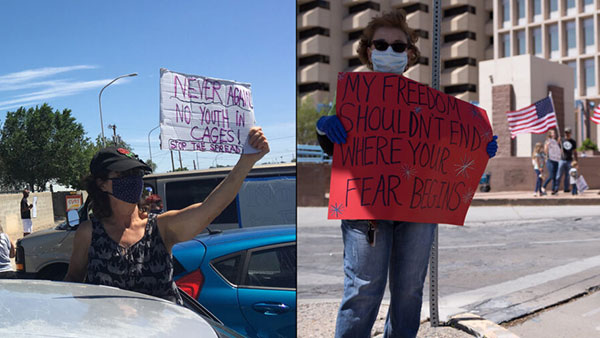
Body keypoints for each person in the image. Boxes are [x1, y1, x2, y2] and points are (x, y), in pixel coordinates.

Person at [315, 10, 498, 338]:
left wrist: (479, 144)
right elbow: (336, 148)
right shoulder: (354, 97)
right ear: (369, 51)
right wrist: (325, 130)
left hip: (417, 210)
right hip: (366, 208)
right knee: (363, 290)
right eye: (381, 44)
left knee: (409, 292)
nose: (390, 51)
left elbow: (451, 151)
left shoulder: (429, 106)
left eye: (398, 46)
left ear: (410, 54)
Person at [64, 127, 269, 304]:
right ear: (101, 184)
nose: (134, 181)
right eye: (124, 176)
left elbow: (210, 208)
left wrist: (246, 162)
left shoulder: (161, 227)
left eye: (137, 175)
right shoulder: (89, 233)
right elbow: (73, 280)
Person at [556, 127, 577, 193]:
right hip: (562, 159)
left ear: (570, 133)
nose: (567, 134)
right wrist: (558, 142)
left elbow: (574, 151)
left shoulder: (573, 142)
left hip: (569, 160)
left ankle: (566, 188)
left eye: (568, 133)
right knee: (559, 175)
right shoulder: (562, 140)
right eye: (566, 133)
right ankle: (556, 188)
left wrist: (576, 160)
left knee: (568, 176)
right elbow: (556, 148)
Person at [541, 129, 561, 195]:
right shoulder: (547, 141)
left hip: (556, 160)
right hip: (550, 160)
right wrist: (547, 146)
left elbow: (556, 150)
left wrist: (558, 142)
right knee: (552, 175)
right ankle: (543, 186)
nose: (554, 134)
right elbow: (545, 151)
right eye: (553, 133)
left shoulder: (555, 141)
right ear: (549, 134)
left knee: (555, 176)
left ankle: (554, 190)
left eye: (554, 133)